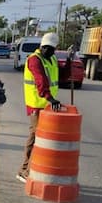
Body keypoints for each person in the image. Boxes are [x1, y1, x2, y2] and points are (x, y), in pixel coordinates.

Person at [17, 32, 62, 183]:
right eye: (47, 49)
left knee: (37, 137)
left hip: (47, 105)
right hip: (36, 104)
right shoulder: (34, 60)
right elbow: (40, 81)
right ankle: (24, 171)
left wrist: (68, 63)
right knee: (36, 138)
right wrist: (50, 98)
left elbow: (58, 77)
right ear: (41, 47)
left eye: (52, 49)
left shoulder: (52, 58)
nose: (49, 52)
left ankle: (28, 169)